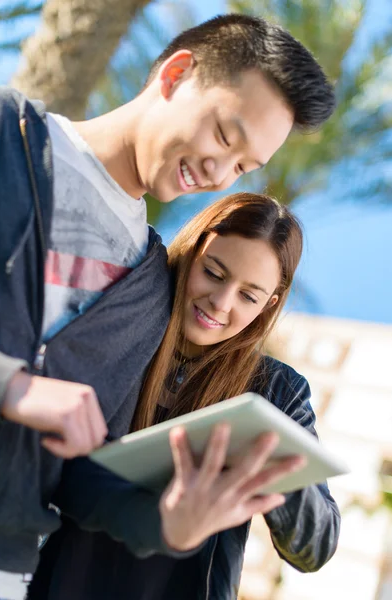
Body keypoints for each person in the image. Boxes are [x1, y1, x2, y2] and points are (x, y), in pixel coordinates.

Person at [0, 13, 335, 600]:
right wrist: (9, 387)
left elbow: (81, 479)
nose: (220, 171)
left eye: (244, 166)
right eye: (224, 134)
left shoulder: (149, 291)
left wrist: (170, 525)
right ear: (176, 73)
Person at [28, 193, 340, 600]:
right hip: (59, 579)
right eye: (213, 273)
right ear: (190, 253)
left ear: (269, 304)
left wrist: (272, 456)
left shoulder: (276, 391)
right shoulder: (125, 326)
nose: (221, 303)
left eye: (249, 296)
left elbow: (315, 549)